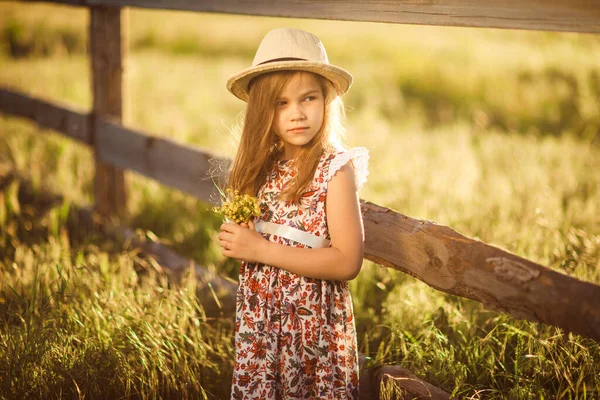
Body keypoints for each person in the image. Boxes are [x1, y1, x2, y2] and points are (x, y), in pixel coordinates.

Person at [217, 27, 369, 399]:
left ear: (326, 100)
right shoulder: (261, 166)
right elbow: (258, 235)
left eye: (308, 98)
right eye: (280, 103)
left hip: (311, 329)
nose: (296, 113)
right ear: (261, 110)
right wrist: (238, 237)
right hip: (263, 326)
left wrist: (261, 250)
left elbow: (347, 261)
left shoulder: (335, 169)